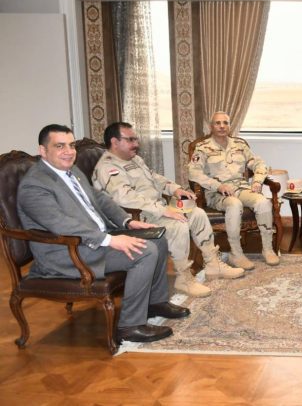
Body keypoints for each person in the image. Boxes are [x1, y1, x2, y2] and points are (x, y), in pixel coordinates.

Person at [17, 124, 190, 344]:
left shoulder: (71, 170)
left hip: (92, 239)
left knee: (157, 238)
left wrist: (127, 221)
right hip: (67, 252)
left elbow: (99, 199)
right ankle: (130, 326)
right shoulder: (34, 185)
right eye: (60, 146)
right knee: (144, 252)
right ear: (43, 150)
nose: (69, 152)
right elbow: (61, 224)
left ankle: (155, 303)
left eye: (71, 145)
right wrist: (109, 240)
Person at [93, 122, 244, 298]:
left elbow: (155, 178)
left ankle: (213, 264)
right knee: (178, 225)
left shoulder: (135, 159)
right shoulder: (108, 167)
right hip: (135, 219)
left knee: (198, 214)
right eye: (130, 139)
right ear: (115, 142)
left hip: (154, 211)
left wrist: (175, 189)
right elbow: (125, 198)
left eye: (135, 139)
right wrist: (163, 211)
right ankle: (183, 278)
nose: (136, 143)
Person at [188, 111, 278, 268]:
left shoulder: (239, 145)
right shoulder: (202, 148)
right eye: (218, 123)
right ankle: (236, 254)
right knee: (234, 204)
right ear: (211, 126)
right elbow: (193, 173)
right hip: (217, 193)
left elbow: (259, 164)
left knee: (263, 202)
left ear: (230, 126)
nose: (222, 126)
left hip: (241, 188)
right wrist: (218, 186)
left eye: (225, 123)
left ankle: (268, 249)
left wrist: (257, 181)